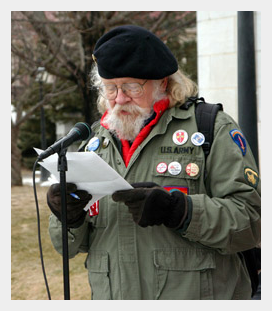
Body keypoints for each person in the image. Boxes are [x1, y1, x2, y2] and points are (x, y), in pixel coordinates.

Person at [47, 25, 261, 300]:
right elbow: (70, 247)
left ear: (163, 83)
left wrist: (179, 211)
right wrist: (68, 217)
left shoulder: (210, 127)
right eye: (110, 88)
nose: (119, 98)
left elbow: (251, 222)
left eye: (131, 87)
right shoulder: (95, 142)